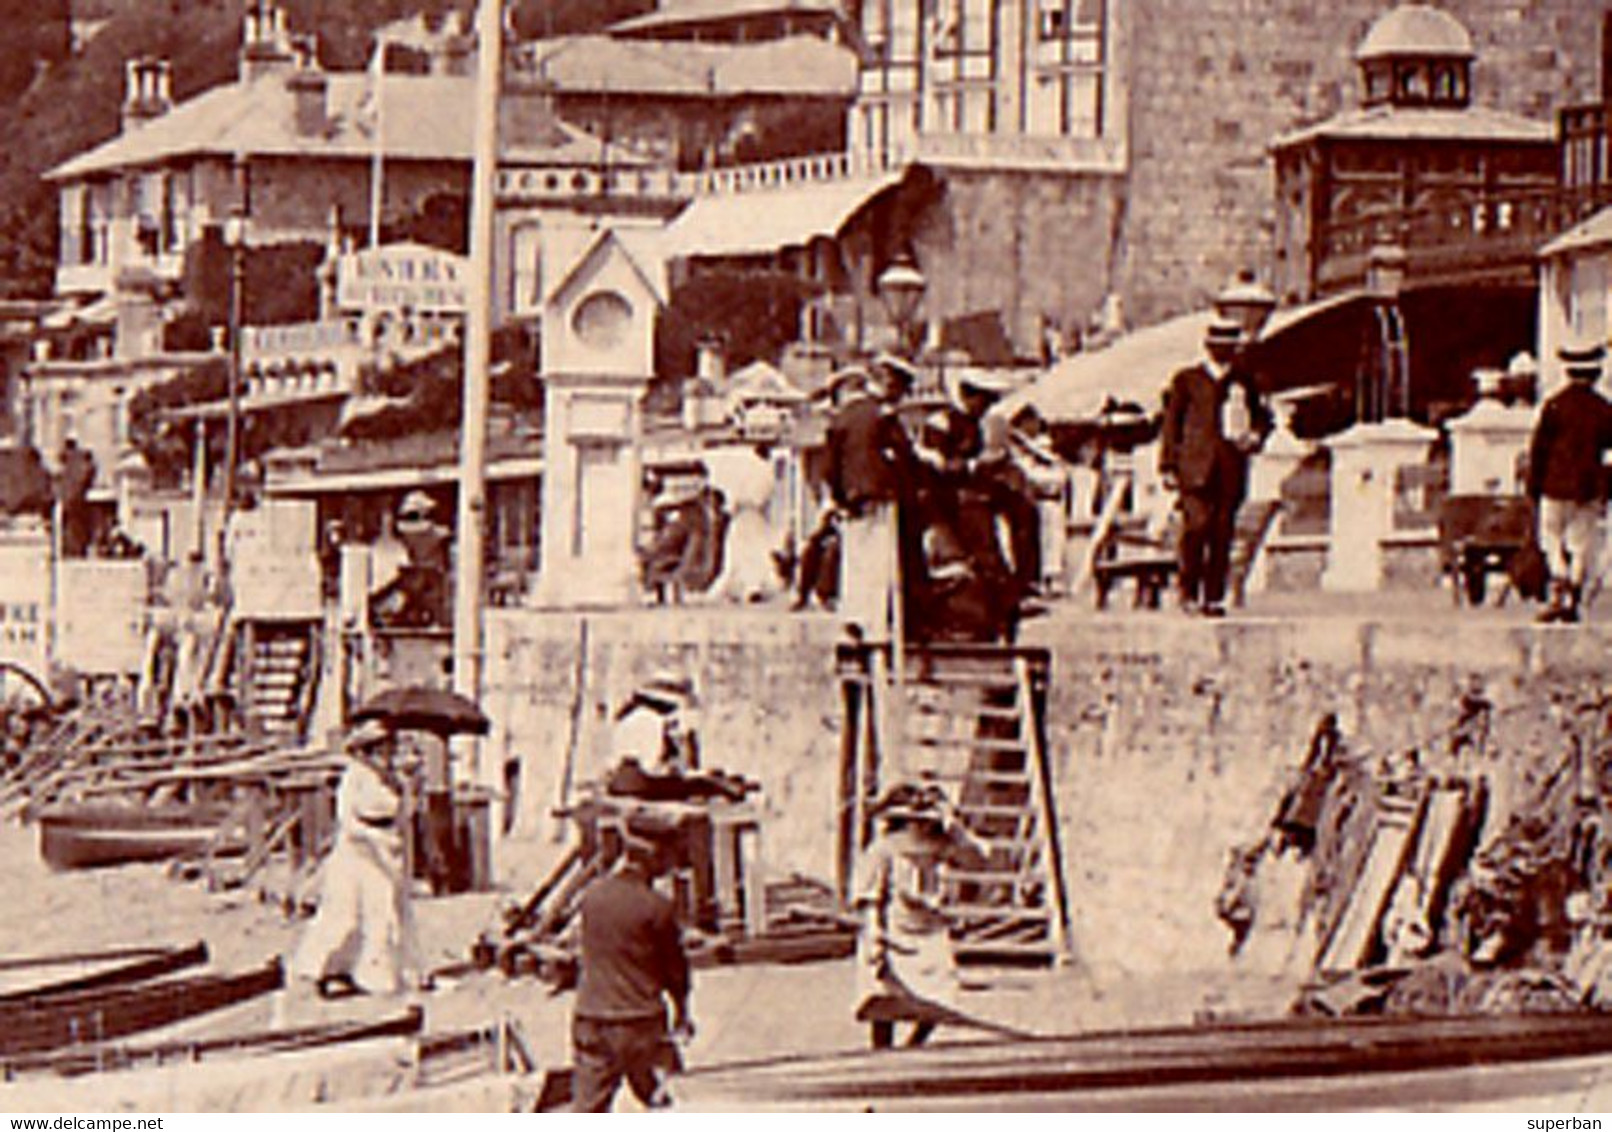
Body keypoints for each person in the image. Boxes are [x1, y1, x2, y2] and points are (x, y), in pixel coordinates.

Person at [287, 719, 422, 998]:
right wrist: (370, 838)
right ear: (365, 751)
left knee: (383, 915)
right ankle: (318, 970)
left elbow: (404, 815)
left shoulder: (393, 780)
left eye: (389, 748)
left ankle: (373, 975)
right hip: (357, 853)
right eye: (379, 749)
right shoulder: (355, 777)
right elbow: (347, 820)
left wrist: (410, 789)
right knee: (345, 915)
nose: (385, 754)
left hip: (388, 849)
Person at [571, 811, 694, 1112]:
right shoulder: (657, 908)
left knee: (588, 1110)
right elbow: (675, 973)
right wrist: (682, 1012)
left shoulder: (591, 897)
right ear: (652, 856)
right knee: (660, 1099)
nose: (670, 864)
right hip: (639, 1025)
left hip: (592, 1020)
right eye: (668, 856)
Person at [853, 782, 986, 1050]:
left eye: (927, 823)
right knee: (884, 992)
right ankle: (881, 1049)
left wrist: (958, 831)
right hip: (893, 929)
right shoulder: (883, 850)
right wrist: (874, 930)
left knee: (939, 993)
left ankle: (915, 1045)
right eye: (915, 823)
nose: (922, 829)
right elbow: (869, 895)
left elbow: (978, 858)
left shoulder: (940, 847)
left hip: (929, 931)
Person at [1159, 316, 1271, 617]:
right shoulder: (1187, 380)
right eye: (1219, 346)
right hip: (1194, 467)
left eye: (1230, 347)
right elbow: (1171, 425)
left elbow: (1263, 417)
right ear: (1208, 347)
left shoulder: (1244, 381)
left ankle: (1213, 597)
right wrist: (1168, 465)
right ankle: (1188, 590)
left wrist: (1255, 436)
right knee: (1197, 527)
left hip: (1230, 466)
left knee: (1222, 532)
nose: (1225, 352)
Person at [825, 357, 917, 641]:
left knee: (855, 559)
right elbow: (904, 458)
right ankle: (876, 625)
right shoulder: (883, 416)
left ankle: (853, 616)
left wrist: (839, 498)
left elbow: (830, 466)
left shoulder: (842, 417)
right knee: (880, 560)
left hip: (851, 496)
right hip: (880, 493)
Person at [1525, 339, 1612, 623]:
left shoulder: (1554, 406)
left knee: (1550, 537)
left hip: (1554, 485)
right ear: (1596, 374)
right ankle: (1573, 590)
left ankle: (1559, 584)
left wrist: (1533, 486)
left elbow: (1539, 450)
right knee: (1581, 541)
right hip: (1589, 489)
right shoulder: (1604, 410)